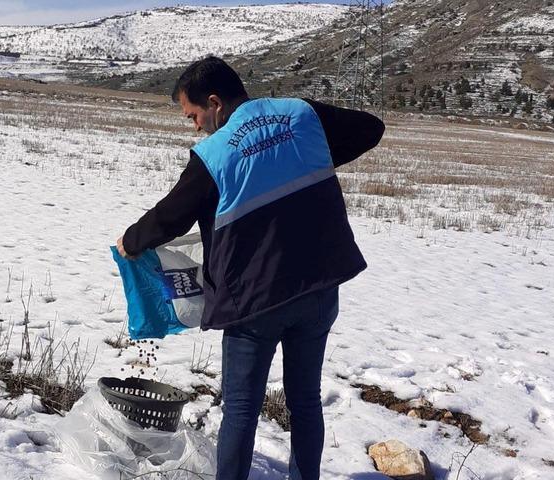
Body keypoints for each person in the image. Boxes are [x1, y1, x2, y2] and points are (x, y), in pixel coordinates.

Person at [116, 56, 384, 480]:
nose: (195, 127)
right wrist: (308, 156)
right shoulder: (301, 115)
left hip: (256, 301)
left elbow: (172, 216)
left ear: (215, 102)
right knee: (305, 401)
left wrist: (131, 242)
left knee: (241, 409)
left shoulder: (216, 152)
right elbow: (370, 128)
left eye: (193, 115)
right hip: (318, 290)